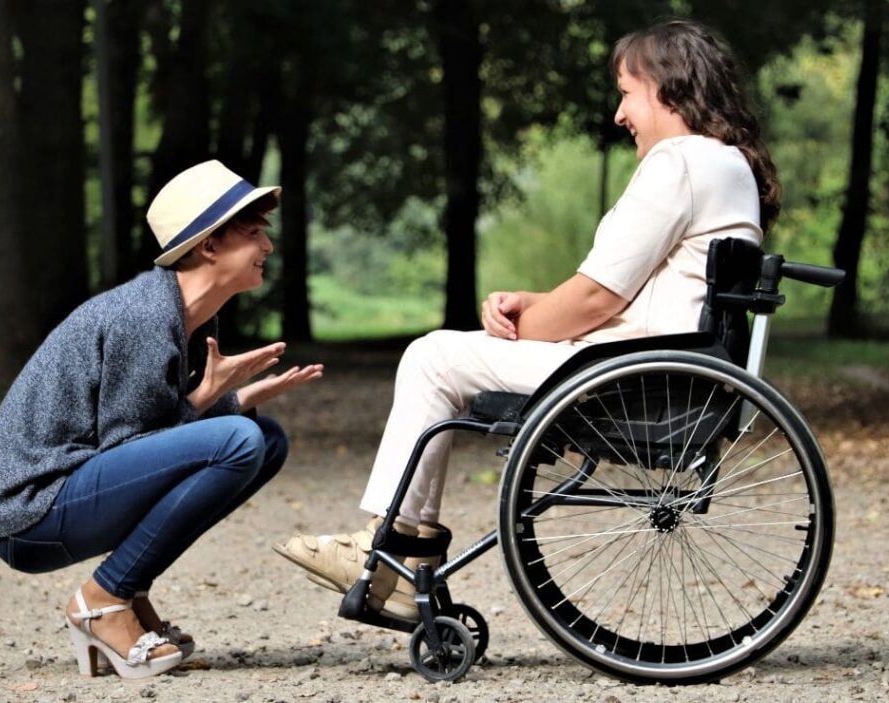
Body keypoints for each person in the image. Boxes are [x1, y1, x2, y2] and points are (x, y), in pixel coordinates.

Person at [273, 19, 779, 622]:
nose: (620, 115)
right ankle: (399, 553)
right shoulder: (727, 166)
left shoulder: (682, 161)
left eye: (625, 92)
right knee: (446, 353)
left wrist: (519, 327)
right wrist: (530, 303)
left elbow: (596, 302)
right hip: (664, 366)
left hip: (633, 376)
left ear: (668, 88)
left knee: (433, 357)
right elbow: (630, 295)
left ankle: (395, 556)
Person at [0, 160, 324, 679]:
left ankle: (123, 590)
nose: (267, 246)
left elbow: (152, 441)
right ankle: (102, 601)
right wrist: (211, 398)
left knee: (265, 440)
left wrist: (232, 400)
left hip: (74, 490)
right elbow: (132, 445)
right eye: (253, 233)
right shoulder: (144, 317)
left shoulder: (185, 315)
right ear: (209, 246)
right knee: (242, 440)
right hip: (30, 512)